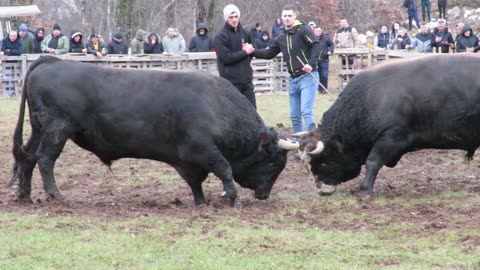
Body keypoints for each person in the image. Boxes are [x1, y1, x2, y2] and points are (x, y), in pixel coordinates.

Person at [254, 4, 321, 134]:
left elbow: (316, 46)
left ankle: (313, 141)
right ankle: (298, 146)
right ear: (281, 17)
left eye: (290, 15)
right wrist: (252, 52)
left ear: (295, 16)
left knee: (306, 111)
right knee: (294, 116)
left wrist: (311, 64)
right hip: (293, 79)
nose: (287, 18)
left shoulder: (303, 30)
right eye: (285, 16)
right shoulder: (280, 37)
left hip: (308, 76)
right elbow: (269, 53)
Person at [213, 4, 256, 108]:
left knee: (252, 112)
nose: (234, 20)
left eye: (236, 16)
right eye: (231, 17)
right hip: (230, 83)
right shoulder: (220, 36)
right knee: (235, 114)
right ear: (226, 18)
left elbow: (251, 52)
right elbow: (226, 58)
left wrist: (247, 53)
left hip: (247, 81)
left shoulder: (245, 33)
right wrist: (244, 52)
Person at [313, 26, 334, 93]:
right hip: (315, 60)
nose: (317, 32)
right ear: (314, 32)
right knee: (316, 75)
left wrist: (330, 51)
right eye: (316, 31)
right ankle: (318, 89)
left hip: (324, 59)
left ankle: (324, 89)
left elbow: (332, 45)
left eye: (318, 31)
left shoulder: (326, 38)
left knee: (324, 75)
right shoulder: (312, 38)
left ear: (321, 31)